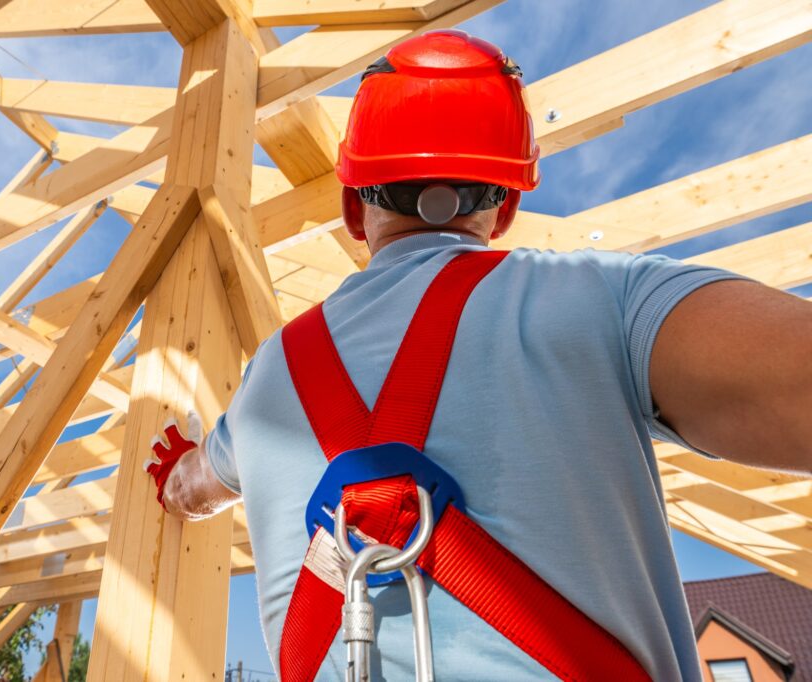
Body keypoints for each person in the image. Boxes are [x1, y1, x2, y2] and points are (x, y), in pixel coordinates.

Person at [143, 30, 812, 681]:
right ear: (507, 205)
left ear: (354, 207)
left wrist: (179, 467)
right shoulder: (602, 300)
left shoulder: (268, 380)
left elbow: (190, 487)